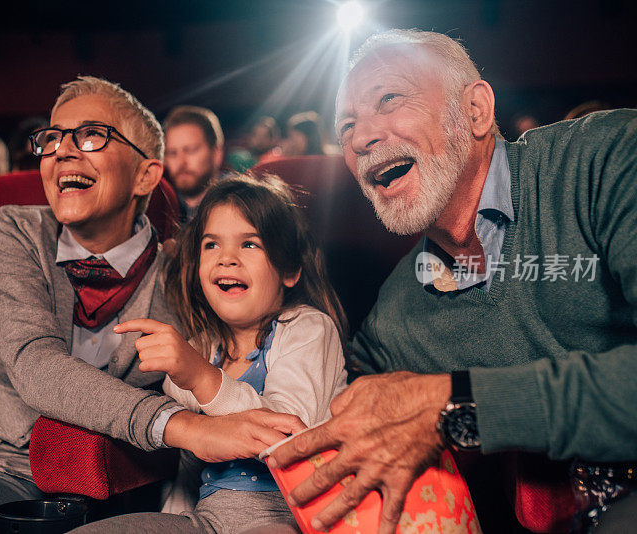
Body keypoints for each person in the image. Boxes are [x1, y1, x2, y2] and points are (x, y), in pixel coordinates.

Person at [0, 75, 302, 533]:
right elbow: (36, 364)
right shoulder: (16, 229)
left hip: (17, 475)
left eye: (92, 135)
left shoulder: (188, 274)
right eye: (53, 137)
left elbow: (264, 337)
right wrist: (182, 427)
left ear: (146, 174)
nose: (62, 150)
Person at [267, 28, 637, 534]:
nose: (359, 138)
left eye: (389, 99)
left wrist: (453, 404)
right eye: (346, 125)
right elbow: (336, 425)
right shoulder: (393, 322)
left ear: (476, 111)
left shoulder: (606, 158)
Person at [75, 173, 348, 533]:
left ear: (290, 269)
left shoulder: (307, 328)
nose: (227, 259)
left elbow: (288, 434)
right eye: (211, 245)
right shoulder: (205, 347)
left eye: (249, 244)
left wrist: (203, 378)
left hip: (288, 517)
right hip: (205, 518)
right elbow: (188, 463)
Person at [163, 105, 224, 221]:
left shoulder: (243, 202)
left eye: (190, 150)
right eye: (172, 153)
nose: (181, 162)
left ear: (216, 154)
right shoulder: (160, 207)